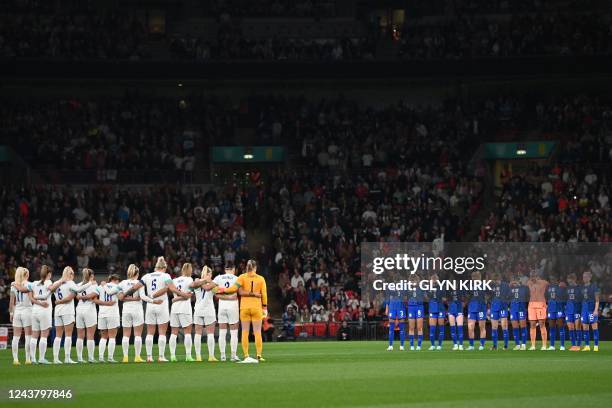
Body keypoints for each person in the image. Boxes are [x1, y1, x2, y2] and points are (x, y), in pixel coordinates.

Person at [123, 256, 191, 362]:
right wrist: (183, 294)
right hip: (161, 305)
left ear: (155, 267)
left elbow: (135, 287)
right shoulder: (166, 275)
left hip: (150, 306)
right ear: (164, 267)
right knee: (162, 332)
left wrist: (125, 295)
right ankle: (161, 356)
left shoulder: (147, 276)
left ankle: (149, 357)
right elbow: (172, 288)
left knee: (150, 332)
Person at [216, 259, 268, 363]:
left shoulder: (241, 277)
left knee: (245, 332)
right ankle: (259, 355)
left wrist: (222, 290)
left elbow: (233, 289)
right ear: (255, 267)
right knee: (257, 332)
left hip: (244, 308)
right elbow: (264, 294)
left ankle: (246, 355)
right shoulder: (261, 279)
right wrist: (265, 307)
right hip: (256, 307)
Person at [13, 265, 63, 364]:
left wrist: (15, 284)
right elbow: (51, 288)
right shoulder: (48, 282)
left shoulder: (35, 283)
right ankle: (41, 358)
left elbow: (23, 290)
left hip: (34, 311)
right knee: (44, 335)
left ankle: (33, 359)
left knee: (34, 336)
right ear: (49, 274)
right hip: (44, 311)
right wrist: (61, 280)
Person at [52, 266, 94, 364]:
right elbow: (79, 290)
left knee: (58, 336)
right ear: (70, 274)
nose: (73, 275)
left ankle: (55, 358)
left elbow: (51, 290)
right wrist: (89, 284)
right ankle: (67, 358)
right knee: (68, 335)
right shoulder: (70, 283)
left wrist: (57, 302)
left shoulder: (56, 283)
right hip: (67, 311)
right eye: (72, 273)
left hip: (57, 311)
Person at [118, 264, 159, 363]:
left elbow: (120, 297)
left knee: (126, 335)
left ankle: (125, 357)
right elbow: (142, 297)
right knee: (137, 335)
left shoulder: (122, 283)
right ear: (137, 273)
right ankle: (137, 357)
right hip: (137, 309)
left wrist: (127, 298)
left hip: (126, 310)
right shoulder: (139, 283)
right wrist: (153, 301)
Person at [191, 265, 218, 362]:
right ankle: (211, 356)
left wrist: (201, 281)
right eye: (211, 274)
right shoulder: (213, 283)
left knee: (198, 333)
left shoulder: (197, 281)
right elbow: (216, 293)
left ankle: (198, 356)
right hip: (209, 310)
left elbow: (192, 285)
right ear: (209, 274)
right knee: (210, 333)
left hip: (198, 310)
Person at [214, 264, 240, 361]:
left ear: (225, 269)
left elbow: (214, 291)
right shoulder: (237, 278)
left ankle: (223, 355)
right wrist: (230, 297)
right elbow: (240, 291)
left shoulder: (218, 278)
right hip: (232, 305)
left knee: (222, 332)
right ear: (233, 269)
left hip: (222, 306)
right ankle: (233, 355)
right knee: (234, 332)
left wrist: (222, 296)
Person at [169, 263, 195, 362]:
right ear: (190, 270)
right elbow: (188, 296)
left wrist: (175, 299)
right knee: (187, 332)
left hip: (175, 308)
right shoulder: (190, 280)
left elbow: (174, 295)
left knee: (173, 332)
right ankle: (188, 356)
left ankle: (172, 356)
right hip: (185, 308)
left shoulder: (174, 280)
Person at [95, 274, 122, 362]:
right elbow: (121, 297)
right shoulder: (117, 286)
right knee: (112, 337)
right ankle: (110, 357)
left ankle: (101, 357)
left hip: (102, 313)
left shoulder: (101, 286)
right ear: (116, 280)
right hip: (112, 313)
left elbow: (93, 298)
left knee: (103, 337)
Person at [9, 267, 33, 365]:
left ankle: (15, 359)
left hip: (17, 311)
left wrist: (11, 313)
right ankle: (27, 359)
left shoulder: (13, 285)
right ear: (26, 274)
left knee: (16, 337)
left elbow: (11, 302)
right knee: (28, 336)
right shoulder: (29, 284)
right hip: (27, 310)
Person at [74, 268, 98, 363]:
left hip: (79, 310)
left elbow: (76, 295)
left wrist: (80, 297)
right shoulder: (94, 284)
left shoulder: (79, 284)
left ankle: (79, 358)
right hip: (89, 309)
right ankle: (91, 358)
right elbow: (93, 295)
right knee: (90, 335)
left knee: (80, 336)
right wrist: (84, 297)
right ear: (91, 276)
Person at [527, 271, 548, 350]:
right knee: (532, 324)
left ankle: (544, 345)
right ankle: (533, 345)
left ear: (537, 276)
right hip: (531, 305)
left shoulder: (543, 283)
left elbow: (550, 286)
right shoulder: (529, 283)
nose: (532, 277)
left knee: (542, 324)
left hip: (540, 305)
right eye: (531, 275)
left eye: (534, 275)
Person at [579, 271, 600, 352]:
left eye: (586, 277)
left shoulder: (594, 287)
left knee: (594, 328)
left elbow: (597, 300)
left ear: (590, 278)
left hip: (591, 310)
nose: (584, 278)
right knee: (585, 328)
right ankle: (587, 346)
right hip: (584, 309)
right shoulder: (582, 287)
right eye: (583, 277)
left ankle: (596, 346)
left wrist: (595, 310)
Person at [467, 271, 487, 350]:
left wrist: (486, 300)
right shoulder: (469, 286)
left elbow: (490, 294)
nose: (475, 279)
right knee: (470, 327)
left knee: (481, 327)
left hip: (481, 308)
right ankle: (471, 345)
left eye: (477, 277)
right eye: (474, 277)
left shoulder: (484, 285)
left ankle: (481, 345)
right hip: (472, 308)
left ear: (480, 277)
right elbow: (466, 296)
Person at [490, 273, 510, 350]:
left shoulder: (505, 285)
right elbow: (487, 295)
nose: (496, 280)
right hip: (494, 308)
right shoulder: (491, 285)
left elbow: (509, 295)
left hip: (503, 308)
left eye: (497, 278)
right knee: (494, 327)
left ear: (500, 278)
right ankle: (495, 346)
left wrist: (506, 304)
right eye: (495, 279)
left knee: (504, 326)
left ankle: (505, 346)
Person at [545, 275, 566, 351]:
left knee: (561, 326)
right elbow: (546, 298)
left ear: (557, 279)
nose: (552, 280)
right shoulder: (548, 288)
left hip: (559, 308)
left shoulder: (561, 286)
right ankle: (552, 345)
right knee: (551, 327)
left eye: (553, 279)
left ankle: (562, 346)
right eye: (551, 279)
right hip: (551, 308)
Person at [427, 274, 446, 351]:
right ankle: (432, 345)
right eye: (433, 279)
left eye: (435, 279)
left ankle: (440, 345)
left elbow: (443, 297)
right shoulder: (428, 288)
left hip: (440, 308)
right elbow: (428, 297)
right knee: (432, 328)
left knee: (441, 326)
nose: (434, 281)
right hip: (432, 308)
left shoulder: (442, 287)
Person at [385, 283, 406, 351]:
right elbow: (387, 297)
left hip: (400, 306)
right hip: (392, 306)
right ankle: (390, 345)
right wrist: (387, 308)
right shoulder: (389, 286)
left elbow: (406, 297)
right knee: (391, 327)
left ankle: (402, 346)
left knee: (402, 327)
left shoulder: (403, 285)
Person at [509, 276, 529, 350]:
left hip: (521, 308)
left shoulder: (523, 288)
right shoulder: (510, 289)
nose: (515, 283)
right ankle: (517, 344)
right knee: (515, 327)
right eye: (514, 281)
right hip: (513, 309)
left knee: (523, 326)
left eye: (516, 281)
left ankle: (523, 344)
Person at [564, 273, 582, 351]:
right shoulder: (567, 289)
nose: (569, 281)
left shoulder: (579, 288)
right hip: (569, 310)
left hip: (577, 310)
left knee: (578, 327)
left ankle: (578, 345)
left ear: (574, 279)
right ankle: (573, 345)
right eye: (568, 280)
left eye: (570, 279)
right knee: (570, 327)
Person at [407, 275, 425, 351]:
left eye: (415, 280)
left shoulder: (421, 288)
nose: (413, 282)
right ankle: (411, 345)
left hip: (419, 307)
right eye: (412, 281)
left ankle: (419, 345)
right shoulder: (408, 289)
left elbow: (425, 296)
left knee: (419, 327)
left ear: (418, 281)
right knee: (411, 327)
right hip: (411, 307)